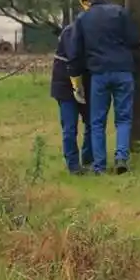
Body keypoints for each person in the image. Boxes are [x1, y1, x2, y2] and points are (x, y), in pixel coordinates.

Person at [67, 0, 139, 175]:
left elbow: (74, 53)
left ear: (84, 1)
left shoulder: (82, 19)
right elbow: (134, 40)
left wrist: (77, 81)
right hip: (123, 70)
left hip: (99, 74)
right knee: (123, 118)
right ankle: (121, 157)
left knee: (97, 121)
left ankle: (99, 166)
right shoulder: (120, 12)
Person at [51, 24, 92, 175]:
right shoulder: (72, 32)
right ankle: (73, 165)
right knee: (70, 127)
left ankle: (88, 159)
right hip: (65, 86)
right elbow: (74, 59)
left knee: (92, 123)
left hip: (84, 85)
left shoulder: (86, 31)